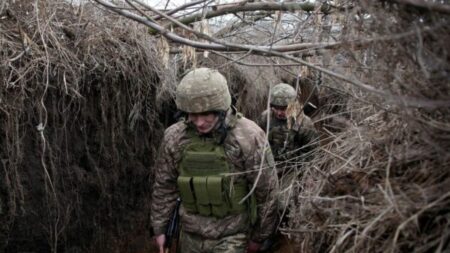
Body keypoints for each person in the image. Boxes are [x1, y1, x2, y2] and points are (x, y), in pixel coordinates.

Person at [151, 68, 278, 253]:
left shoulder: (249, 137)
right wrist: (159, 228)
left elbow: (267, 192)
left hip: (233, 236)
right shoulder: (174, 137)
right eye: (193, 115)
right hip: (189, 234)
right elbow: (164, 186)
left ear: (221, 109)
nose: (200, 122)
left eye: (206, 115)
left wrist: (259, 237)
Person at [257, 83, 318, 166]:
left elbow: (312, 153)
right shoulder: (265, 117)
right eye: (275, 107)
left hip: (293, 168)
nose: (279, 113)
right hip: (268, 164)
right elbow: (257, 142)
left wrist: (292, 162)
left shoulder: (305, 124)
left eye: (283, 109)